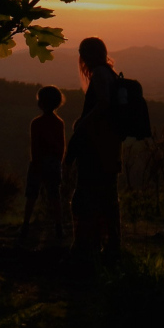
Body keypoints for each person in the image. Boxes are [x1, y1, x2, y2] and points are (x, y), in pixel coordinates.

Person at [65, 36, 122, 263]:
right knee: (108, 197)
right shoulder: (111, 74)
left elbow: (104, 103)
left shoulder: (99, 74)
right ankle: (110, 246)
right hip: (110, 147)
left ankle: (85, 246)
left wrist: (83, 122)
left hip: (96, 149)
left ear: (84, 55)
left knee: (85, 196)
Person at [20, 84, 65, 240]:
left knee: (31, 196)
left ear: (41, 103)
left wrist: (35, 164)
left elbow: (34, 147)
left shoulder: (36, 123)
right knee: (54, 196)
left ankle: (25, 225)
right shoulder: (59, 123)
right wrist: (59, 163)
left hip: (38, 163)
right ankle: (59, 227)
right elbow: (61, 147)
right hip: (53, 163)